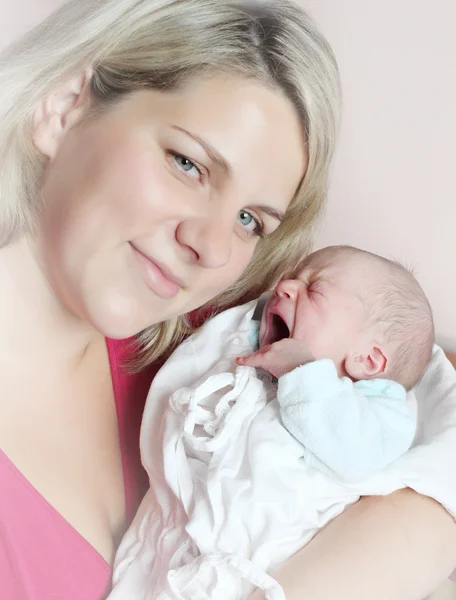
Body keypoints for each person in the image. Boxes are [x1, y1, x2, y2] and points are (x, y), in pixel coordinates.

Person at [1, 3, 455, 600]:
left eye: (248, 220)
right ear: (63, 108)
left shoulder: (209, 343)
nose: (212, 248)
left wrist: (410, 534)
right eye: (187, 164)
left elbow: (417, 378)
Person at [109, 246, 441, 600]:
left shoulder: (381, 412)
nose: (285, 287)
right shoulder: (256, 359)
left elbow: (356, 456)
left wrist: (303, 372)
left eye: (314, 290)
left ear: (369, 360)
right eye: (293, 277)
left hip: (258, 559)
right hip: (184, 532)